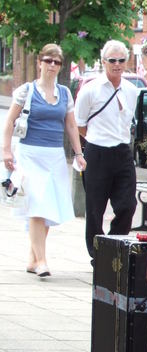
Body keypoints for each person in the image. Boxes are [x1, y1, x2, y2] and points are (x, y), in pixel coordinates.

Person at [2, 43, 86, 278]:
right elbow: (9, 121)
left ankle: (32, 258)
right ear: (39, 62)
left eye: (56, 62)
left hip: (55, 156)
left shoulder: (65, 93)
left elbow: (70, 125)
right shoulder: (26, 91)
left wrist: (79, 154)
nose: (52, 65)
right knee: (37, 205)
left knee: (47, 206)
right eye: (48, 60)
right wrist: (6, 151)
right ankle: (41, 260)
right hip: (29, 154)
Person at [74, 39, 139, 261]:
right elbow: (79, 123)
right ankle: (96, 253)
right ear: (103, 62)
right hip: (97, 151)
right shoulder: (90, 89)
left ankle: (113, 246)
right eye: (112, 60)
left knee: (128, 205)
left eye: (121, 60)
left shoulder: (131, 90)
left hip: (122, 151)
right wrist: (93, 141)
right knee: (95, 208)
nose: (117, 64)